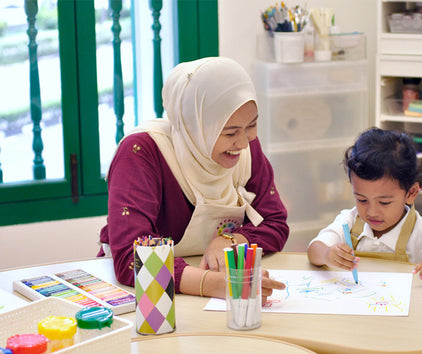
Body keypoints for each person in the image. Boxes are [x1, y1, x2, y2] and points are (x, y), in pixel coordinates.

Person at [98, 57, 288, 301]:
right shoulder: (142, 152)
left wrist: (229, 241)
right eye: (229, 132)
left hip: (204, 289)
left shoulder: (247, 148)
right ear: (196, 126)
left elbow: (275, 222)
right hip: (142, 298)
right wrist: (219, 285)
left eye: (251, 125)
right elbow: (132, 258)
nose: (242, 143)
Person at [307, 127, 422, 284]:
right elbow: (314, 249)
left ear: (411, 193)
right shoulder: (349, 221)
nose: (372, 212)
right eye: (361, 199)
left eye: (384, 202)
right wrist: (327, 254)